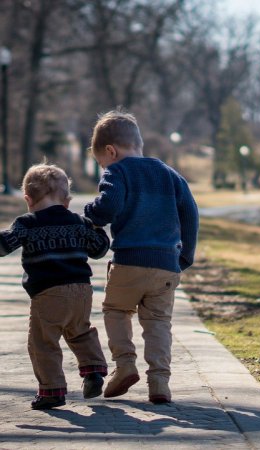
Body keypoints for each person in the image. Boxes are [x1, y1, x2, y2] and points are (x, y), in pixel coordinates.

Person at [84, 109, 199, 403]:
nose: (103, 167)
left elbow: (107, 208)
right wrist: (185, 256)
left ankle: (124, 365)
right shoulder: (169, 174)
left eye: (101, 163)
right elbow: (190, 214)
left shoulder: (117, 171)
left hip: (129, 262)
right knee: (159, 322)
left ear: (111, 151)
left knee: (116, 311)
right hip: (165, 265)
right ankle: (159, 382)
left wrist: (90, 213)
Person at [0, 163, 110, 410]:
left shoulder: (26, 223)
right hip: (82, 291)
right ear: (67, 200)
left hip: (48, 293)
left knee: (43, 342)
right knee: (80, 331)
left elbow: (4, 245)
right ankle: (93, 370)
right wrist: (98, 229)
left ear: (28, 199)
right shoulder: (79, 222)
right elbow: (99, 250)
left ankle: (52, 391)